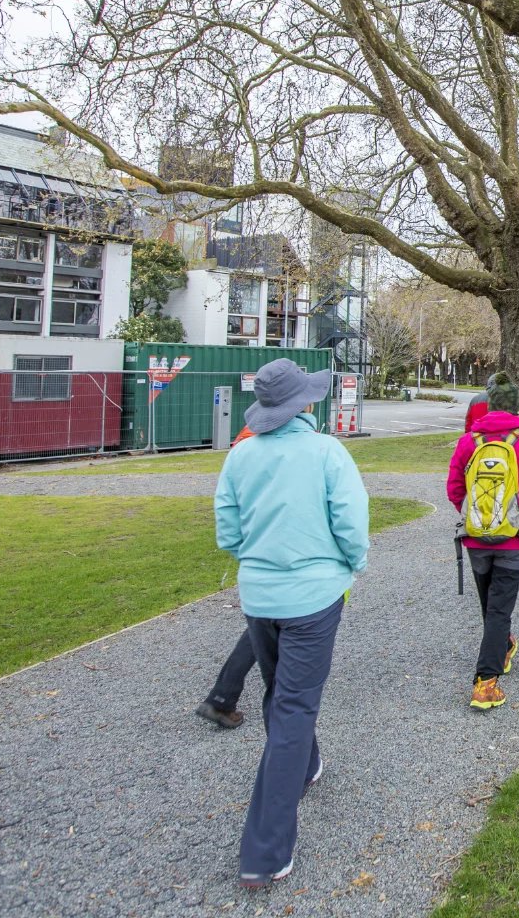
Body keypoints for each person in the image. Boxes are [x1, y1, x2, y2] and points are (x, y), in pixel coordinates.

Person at [215, 360, 369, 888]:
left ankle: (304, 764)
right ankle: (264, 849)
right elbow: (351, 521)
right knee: (295, 707)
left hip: (260, 596)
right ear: (301, 403)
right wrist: (352, 563)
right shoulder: (327, 452)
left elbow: (228, 529)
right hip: (313, 597)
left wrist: (258, 559)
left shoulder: (240, 457)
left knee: (281, 690)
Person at [446, 372, 519, 712]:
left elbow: (453, 487)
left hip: (475, 540)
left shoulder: (469, 441)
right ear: (517, 407)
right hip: (513, 541)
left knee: (491, 604)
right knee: (500, 607)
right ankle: (485, 683)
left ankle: (502, 645)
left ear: (490, 405)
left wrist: (473, 516)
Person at [197, 424, 260, 730]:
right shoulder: (260, 448)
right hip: (278, 554)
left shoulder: (244, 444)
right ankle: (223, 697)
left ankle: (223, 696)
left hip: (256, 553)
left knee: (263, 626)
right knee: (273, 627)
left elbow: (228, 511)